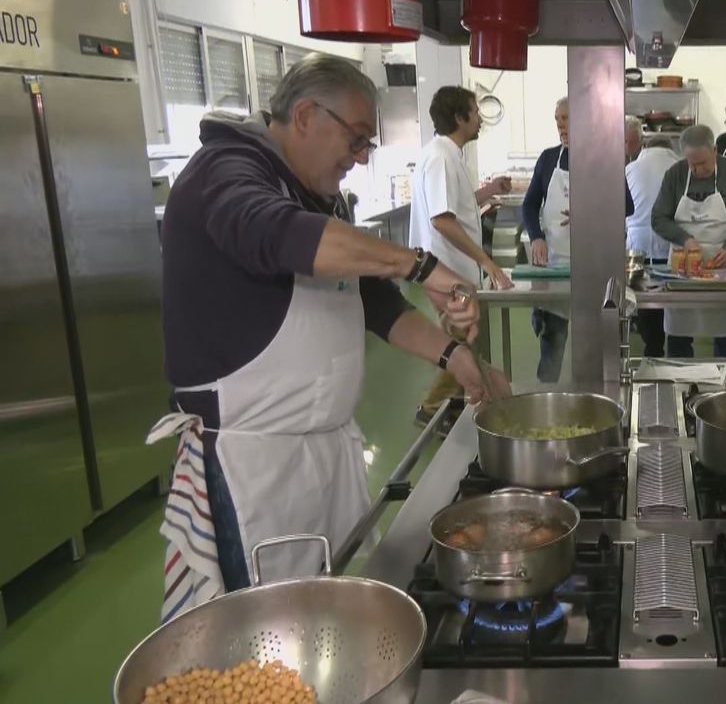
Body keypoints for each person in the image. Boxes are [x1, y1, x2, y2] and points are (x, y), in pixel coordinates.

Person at [151, 54, 498, 620]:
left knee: (332, 624)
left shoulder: (314, 192)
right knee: (270, 637)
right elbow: (276, 234)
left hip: (323, 453)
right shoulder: (227, 170)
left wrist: (454, 356)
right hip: (256, 470)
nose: (360, 159)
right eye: (357, 140)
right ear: (307, 114)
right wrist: (421, 266)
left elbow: (370, 301)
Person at [411, 85, 515, 423]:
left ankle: (455, 404)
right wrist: (487, 260)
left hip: (452, 272)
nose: (479, 120)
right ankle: (432, 410)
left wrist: (486, 191)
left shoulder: (445, 155)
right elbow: (442, 220)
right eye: (475, 111)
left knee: (461, 343)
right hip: (447, 273)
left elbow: (453, 203)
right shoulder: (441, 157)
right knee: (459, 344)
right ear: (459, 117)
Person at [522, 96, 634, 382]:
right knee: (552, 339)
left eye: (567, 118)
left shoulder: (604, 158)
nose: (561, 125)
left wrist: (589, 211)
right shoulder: (549, 158)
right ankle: (548, 399)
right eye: (557, 119)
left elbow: (627, 206)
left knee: (593, 342)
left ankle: (596, 397)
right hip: (556, 264)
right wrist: (536, 237)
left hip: (595, 266)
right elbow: (530, 204)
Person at [650, 124, 726, 358]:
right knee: (678, 336)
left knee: (724, 334)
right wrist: (685, 239)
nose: (697, 169)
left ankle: (723, 386)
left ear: (715, 151)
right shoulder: (675, 175)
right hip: (682, 270)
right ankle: (679, 383)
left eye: (703, 163)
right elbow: (658, 218)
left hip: (723, 269)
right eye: (692, 163)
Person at [625, 133, 678, 358]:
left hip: (638, 247)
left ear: (645, 145)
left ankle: (652, 349)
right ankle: (676, 352)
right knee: (675, 301)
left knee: (645, 300)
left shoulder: (630, 168)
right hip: (672, 245)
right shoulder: (680, 166)